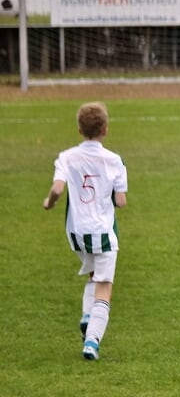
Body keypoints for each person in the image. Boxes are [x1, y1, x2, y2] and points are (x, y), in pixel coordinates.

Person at [42, 101, 128, 361]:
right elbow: (121, 201)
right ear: (105, 129)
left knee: (93, 274)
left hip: (77, 234)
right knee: (104, 287)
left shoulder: (67, 157)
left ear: (79, 130)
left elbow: (57, 189)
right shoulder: (114, 160)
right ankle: (92, 341)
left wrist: (49, 202)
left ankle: (87, 315)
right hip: (102, 232)